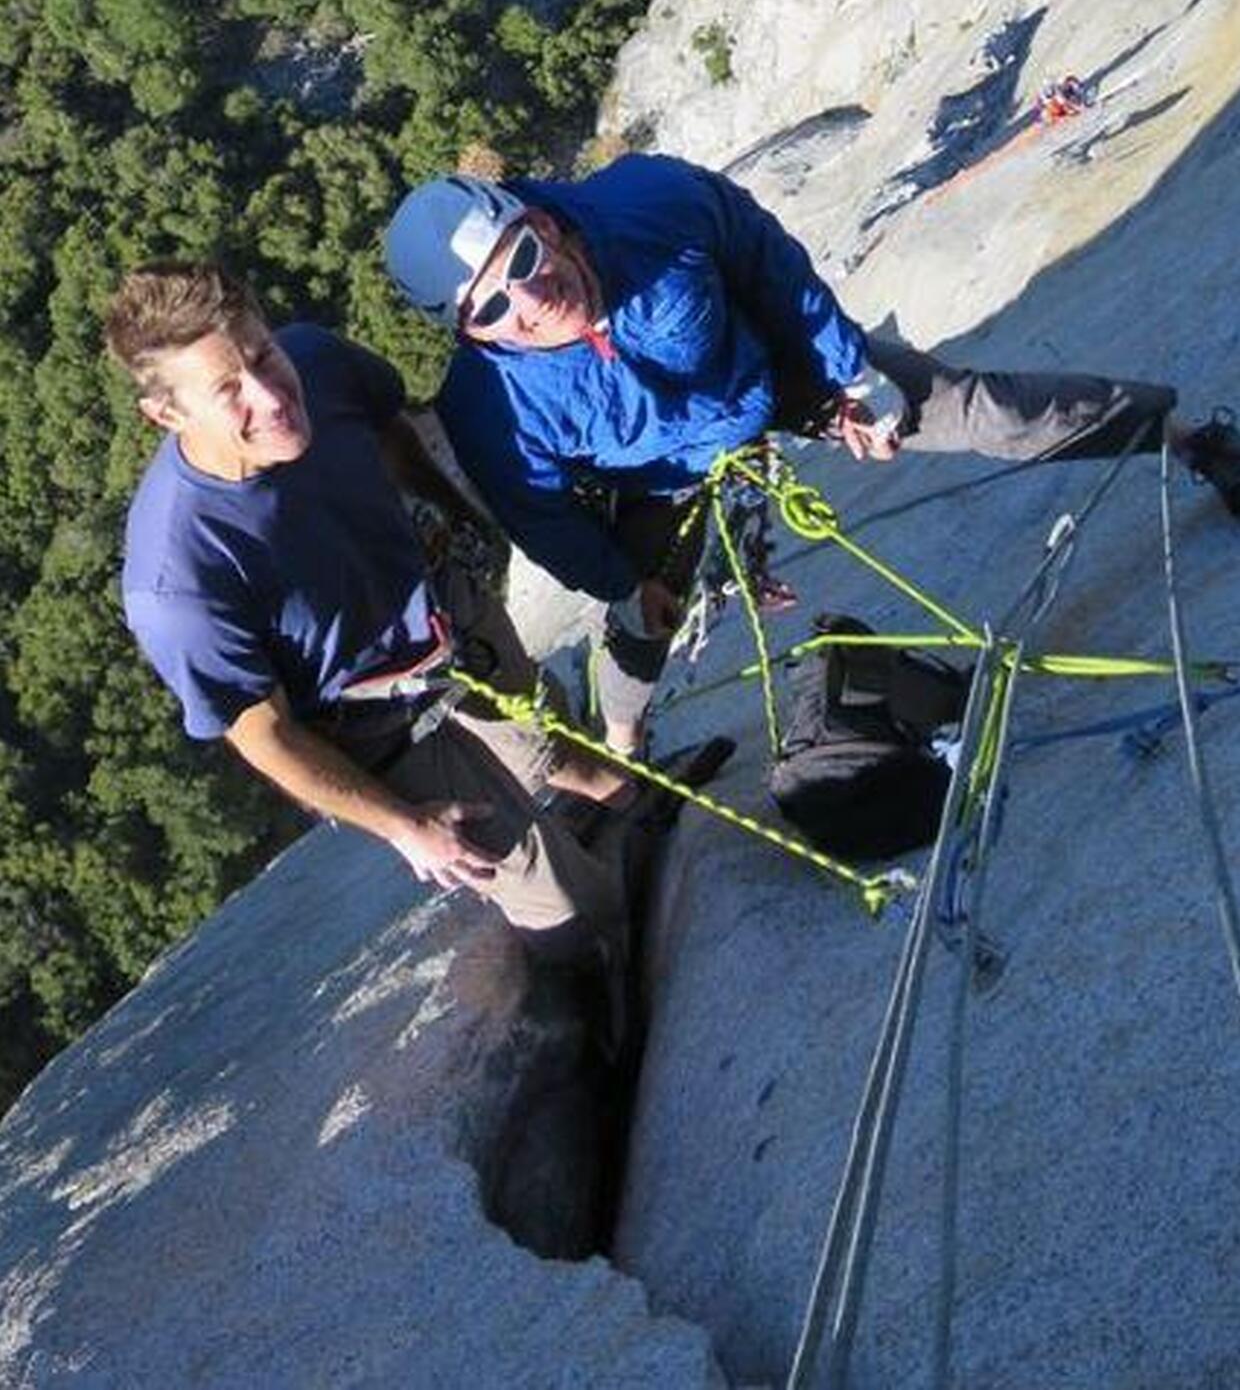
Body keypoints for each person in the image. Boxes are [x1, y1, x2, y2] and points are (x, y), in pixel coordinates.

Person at [384, 154, 1240, 754]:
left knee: (980, 411)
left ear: (540, 222)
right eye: (492, 305)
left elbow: (769, 268)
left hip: (773, 369)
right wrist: (617, 578)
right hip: (661, 476)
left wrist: (854, 378)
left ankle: (1190, 439)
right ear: (465, 331)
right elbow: (538, 512)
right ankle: (625, 755)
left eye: (525, 258)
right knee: (637, 629)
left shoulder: (649, 203)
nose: (530, 296)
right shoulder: (488, 406)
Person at [105, 261, 658, 979]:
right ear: (168, 415)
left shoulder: (316, 361)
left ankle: (646, 816)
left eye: (262, 355)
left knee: (553, 748)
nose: (271, 395)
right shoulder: (178, 578)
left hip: (441, 614)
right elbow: (262, 732)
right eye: (227, 389)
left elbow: (388, 431)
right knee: (555, 895)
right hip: (371, 723)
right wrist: (404, 827)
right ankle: (602, 990)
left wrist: (455, 517)